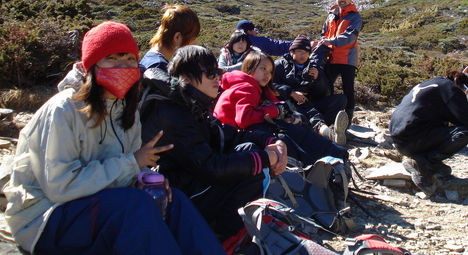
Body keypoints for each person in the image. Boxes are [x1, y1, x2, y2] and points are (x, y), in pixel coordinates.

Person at [2, 21, 224, 255]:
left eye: (129, 59)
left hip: (97, 206)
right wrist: (132, 164)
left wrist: (144, 177)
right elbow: (60, 187)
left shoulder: (124, 110)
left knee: (172, 199)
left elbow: (122, 168)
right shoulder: (63, 109)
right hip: (44, 218)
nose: (124, 66)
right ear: (92, 65)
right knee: (134, 205)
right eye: (112, 59)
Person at [140, 45, 287, 240]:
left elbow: (226, 134)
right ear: (184, 77)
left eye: (217, 71)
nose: (217, 78)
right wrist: (266, 158)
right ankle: (223, 237)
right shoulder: (174, 114)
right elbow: (211, 168)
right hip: (174, 197)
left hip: (189, 181)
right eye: (210, 73)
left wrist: (271, 141)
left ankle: (226, 230)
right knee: (253, 168)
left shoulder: (190, 102)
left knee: (250, 150)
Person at [214, 51, 347, 166]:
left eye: (270, 71)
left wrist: (285, 113)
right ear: (250, 68)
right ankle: (331, 156)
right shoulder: (247, 87)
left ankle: (329, 152)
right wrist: (275, 111)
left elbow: (275, 104)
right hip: (229, 137)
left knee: (295, 125)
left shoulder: (254, 87)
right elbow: (244, 120)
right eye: (263, 69)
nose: (267, 74)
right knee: (287, 133)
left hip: (230, 134)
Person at [389, 68, 468, 195]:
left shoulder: (426, 85)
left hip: (400, 141)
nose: (463, 96)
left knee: (443, 129)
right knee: (463, 133)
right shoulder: (451, 89)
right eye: (465, 92)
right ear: (458, 82)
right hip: (413, 138)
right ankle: (423, 163)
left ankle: (431, 164)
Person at [273, 34, 349, 144]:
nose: (303, 55)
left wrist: (318, 79)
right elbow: (270, 85)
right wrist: (291, 92)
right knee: (310, 114)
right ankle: (328, 133)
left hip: (309, 102)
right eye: (300, 51)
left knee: (340, 99)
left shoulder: (313, 66)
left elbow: (325, 92)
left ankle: (330, 129)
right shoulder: (279, 64)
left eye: (306, 52)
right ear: (292, 51)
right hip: (289, 103)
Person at [321, 0, 363, 122]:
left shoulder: (355, 17)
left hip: (347, 60)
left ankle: (348, 121)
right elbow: (324, 33)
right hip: (331, 59)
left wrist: (330, 41)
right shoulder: (330, 16)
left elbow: (350, 37)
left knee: (348, 90)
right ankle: (329, 116)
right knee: (325, 88)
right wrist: (323, 42)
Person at [140, 4, 201, 72]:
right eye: (192, 39)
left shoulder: (151, 58)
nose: (195, 44)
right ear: (177, 37)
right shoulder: (159, 67)